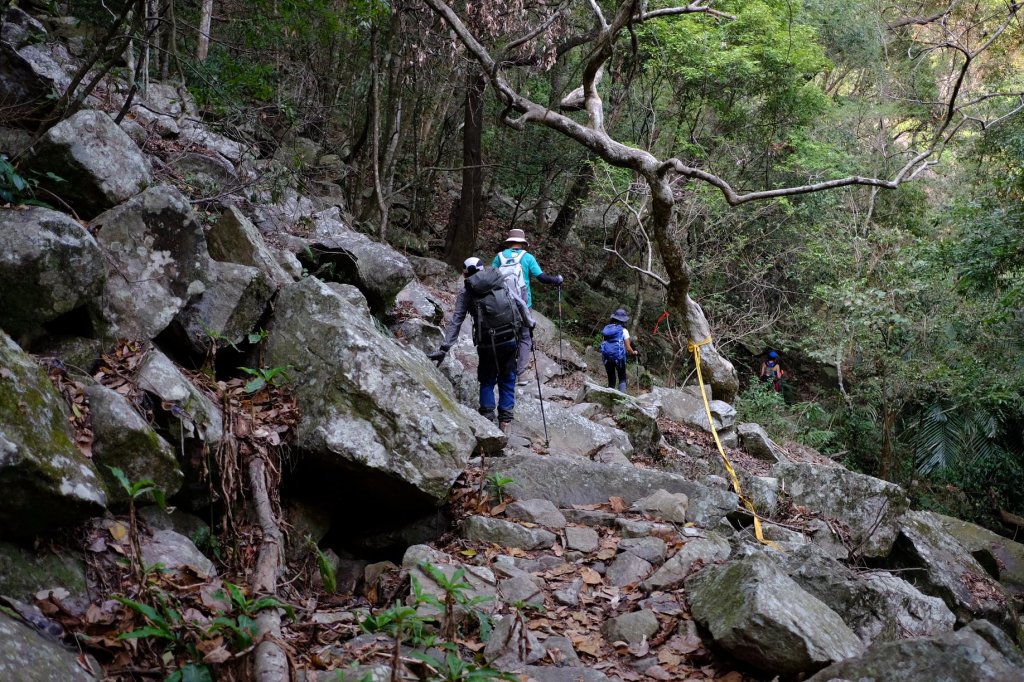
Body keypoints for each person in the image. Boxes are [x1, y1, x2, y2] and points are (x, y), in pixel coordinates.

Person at [429, 257, 536, 431]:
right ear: (482, 269)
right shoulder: (498, 280)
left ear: (465, 273)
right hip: (510, 337)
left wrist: (445, 347)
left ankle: (487, 419)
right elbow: (520, 303)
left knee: (487, 379)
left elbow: (457, 320)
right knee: (508, 377)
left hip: (487, 341)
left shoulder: (467, 291)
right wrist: (530, 323)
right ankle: (505, 421)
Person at [492, 228, 563, 379]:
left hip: (503, 303)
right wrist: (556, 280)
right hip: (524, 304)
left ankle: (502, 370)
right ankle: (521, 373)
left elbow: (491, 277)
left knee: (504, 335)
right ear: (523, 243)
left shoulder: (499, 257)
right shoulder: (528, 257)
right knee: (525, 337)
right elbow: (541, 277)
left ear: (509, 242)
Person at [601, 308, 639, 393]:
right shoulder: (624, 331)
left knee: (611, 378)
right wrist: (633, 352)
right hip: (619, 358)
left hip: (606, 357)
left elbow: (603, 342)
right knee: (622, 377)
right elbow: (628, 348)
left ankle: (609, 396)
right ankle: (621, 397)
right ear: (623, 321)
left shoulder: (607, 329)